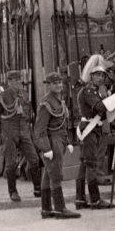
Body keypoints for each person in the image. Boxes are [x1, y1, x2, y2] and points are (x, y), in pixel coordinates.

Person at [74, 54, 115, 209]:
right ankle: (95, 200)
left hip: (93, 128)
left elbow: (105, 114)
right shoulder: (88, 91)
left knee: (85, 164)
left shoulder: (96, 91)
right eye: (97, 75)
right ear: (91, 76)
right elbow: (100, 107)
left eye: (102, 76)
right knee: (90, 164)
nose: (100, 78)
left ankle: (80, 199)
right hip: (89, 129)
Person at [33, 72, 81, 220]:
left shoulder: (59, 100)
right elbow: (39, 129)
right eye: (55, 83)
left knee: (48, 174)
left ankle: (46, 208)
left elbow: (63, 124)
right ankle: (60, 209)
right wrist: (46, 148)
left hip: (59, 140)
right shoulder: (46, 103)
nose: (59, 85)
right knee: (56, 175)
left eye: (60, 82)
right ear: (48, 85)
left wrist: (67, 141)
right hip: (52, 142)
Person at [0, 70, 42, 201]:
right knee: (11, 163)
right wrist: (3, 133)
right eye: (15, 80)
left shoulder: (24, 94)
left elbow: (29, 112)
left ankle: (38, 188)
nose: (19, 82)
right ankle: (13, 191)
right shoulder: (2, 96)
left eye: (19, 79)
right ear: (9, 82)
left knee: (34, 159)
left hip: (23, 129)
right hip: (9, 130)